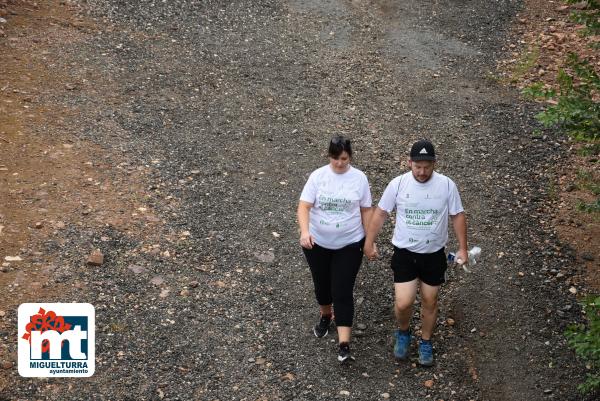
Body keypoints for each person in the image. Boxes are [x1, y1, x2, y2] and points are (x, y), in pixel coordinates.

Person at [364, 139, 467, 366]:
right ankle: (403, 332)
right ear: (409, 162)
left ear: (434, 164)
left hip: (433, 254)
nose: (421, 172)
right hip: (405, 253)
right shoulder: (398, 184)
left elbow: (457, 215)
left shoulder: (447, 185)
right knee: (404, 302)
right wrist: (369, 242)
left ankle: (426, 341)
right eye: (417, 166)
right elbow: (381, 213)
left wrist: (462, 248)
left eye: (426, 167)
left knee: (430, 300)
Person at [297, 135, 373, 364]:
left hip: (350, 244)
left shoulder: (359, 178)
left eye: (343, 158)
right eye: (335, 158)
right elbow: (304, 206)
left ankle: (344, 344)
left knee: (342, 289)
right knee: (322, 286)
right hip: (317, 243)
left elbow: (366, 210)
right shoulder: (318, 177)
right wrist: (304, 231)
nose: (339, 163)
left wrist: (370, 240)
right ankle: (325, 314)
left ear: (350, 156)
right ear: (328, 156)